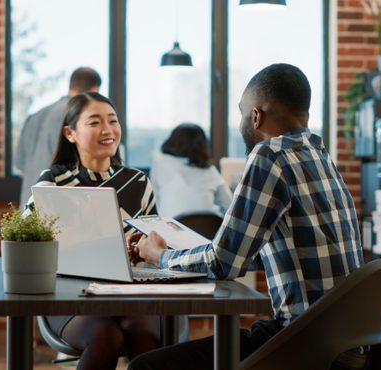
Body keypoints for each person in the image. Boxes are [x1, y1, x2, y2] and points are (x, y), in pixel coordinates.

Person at [127, 63, 365, 370]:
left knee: (145, 367)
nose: (241, 121)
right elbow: (267, 251)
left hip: (302, 344)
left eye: (241, 112)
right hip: (348, 344)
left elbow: (223, 262)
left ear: (256, 116)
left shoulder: (269, 156)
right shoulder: (320, 154)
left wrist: (159, 255)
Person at [25, 92, 160, 370]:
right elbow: (25, 242)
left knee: (146, 336)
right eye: (95, 122)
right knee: (104, 336)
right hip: (69, 297)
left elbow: (152, 246)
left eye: (113, 121)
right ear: (70, 133)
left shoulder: (138, 182)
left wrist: (141, 249)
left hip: (127, 293)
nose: (108, 130)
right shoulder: (54, 181)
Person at [16, 66, 102, 206]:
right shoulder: (80, 117)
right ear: (95, 90)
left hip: (28, 206)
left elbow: (19, 162)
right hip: (61, 207)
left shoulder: (34, 117)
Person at [150, 123, 233, 218]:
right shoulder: (209, 170)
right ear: (202, 145)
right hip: (206, 230)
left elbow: (154, 203)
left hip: (169, 229)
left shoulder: (160, 163)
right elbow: (229, 206)